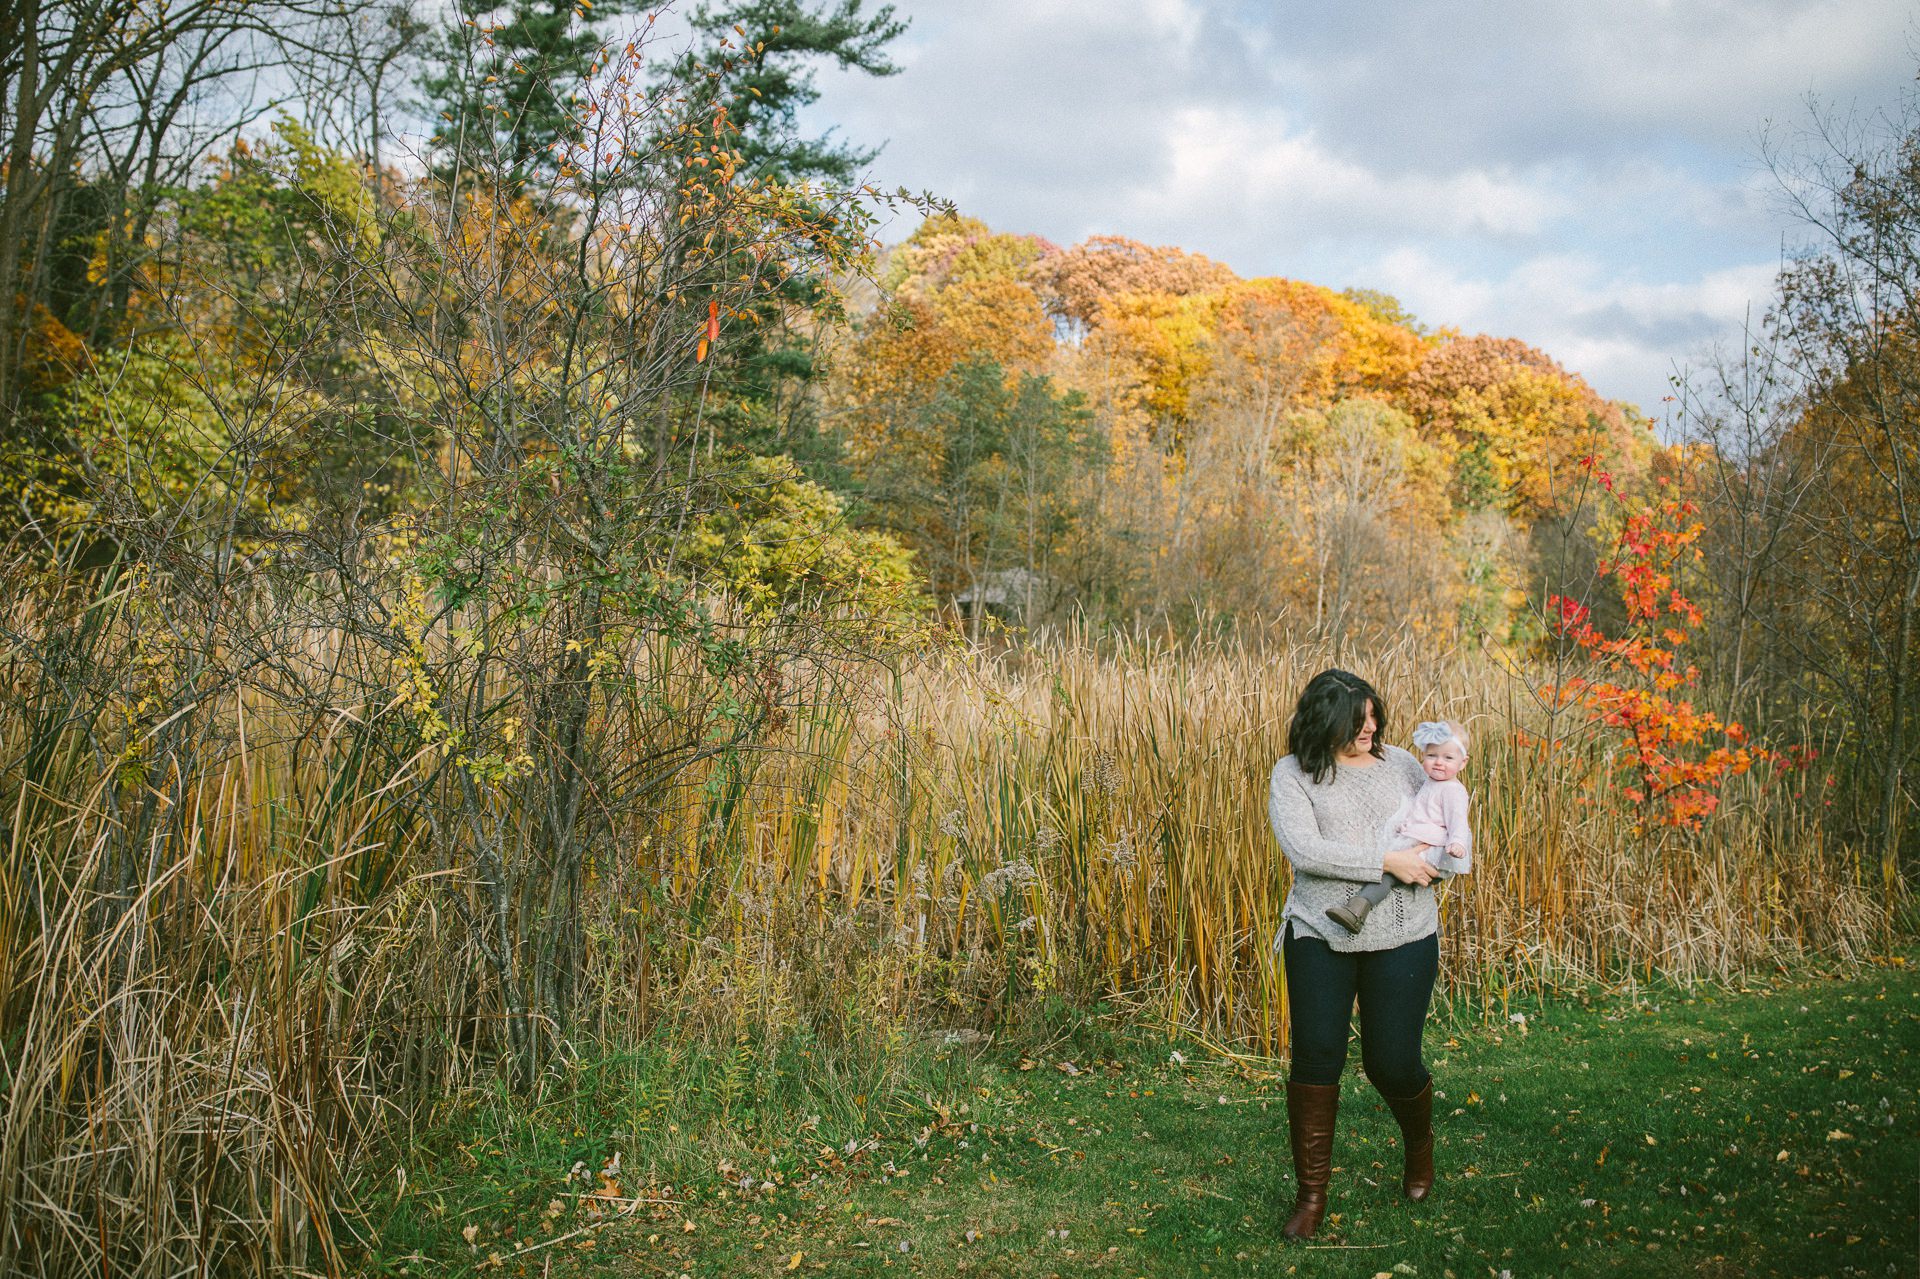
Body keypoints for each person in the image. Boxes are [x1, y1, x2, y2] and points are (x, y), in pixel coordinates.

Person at [1266, 669, 1447, 1240]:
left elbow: (1441, 826)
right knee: (1317, 1060)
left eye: (1373, 717)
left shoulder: (1405, 767)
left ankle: (1419, 1146)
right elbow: (1305, 848)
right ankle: (1311, 1198)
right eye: (1356, 720)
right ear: (1324, 721)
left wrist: (1434, 856)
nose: (1369, 728)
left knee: (1390, 1062)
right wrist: (1387, 862)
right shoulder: (1293, 773)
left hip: (1404, 933)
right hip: (1320, 933)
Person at [1326, 719, 1473, 933]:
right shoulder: (1433, 782)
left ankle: (1358, 908)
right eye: (1432, 756)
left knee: (1388, 874)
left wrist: (1457, 842)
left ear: (1463, 763)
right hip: (1420, 839)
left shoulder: (1453, 790)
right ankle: (1428, 923)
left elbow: (1458, 821)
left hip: (1432, 846)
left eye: (1448, 758)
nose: (1439, 762)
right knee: (1390, 867)